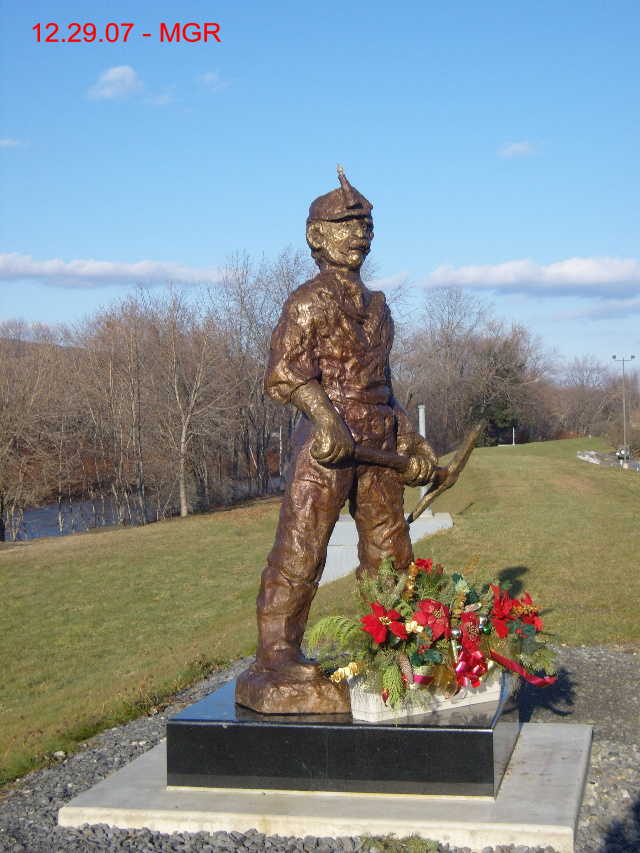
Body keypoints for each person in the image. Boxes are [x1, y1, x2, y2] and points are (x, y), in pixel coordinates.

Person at [235, 168, 440, 714]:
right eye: (347, 225)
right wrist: (325, 418)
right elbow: (285, 372)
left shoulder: (379, 307)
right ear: (316, 235)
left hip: (378, 443)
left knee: (390, 550)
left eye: (366, 225)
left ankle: (395, 644)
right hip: (326, 445)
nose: (359, 234)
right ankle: (276, 656)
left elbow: (383, 384)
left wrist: (412, 439)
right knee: (302, 546)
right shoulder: (307, 301)